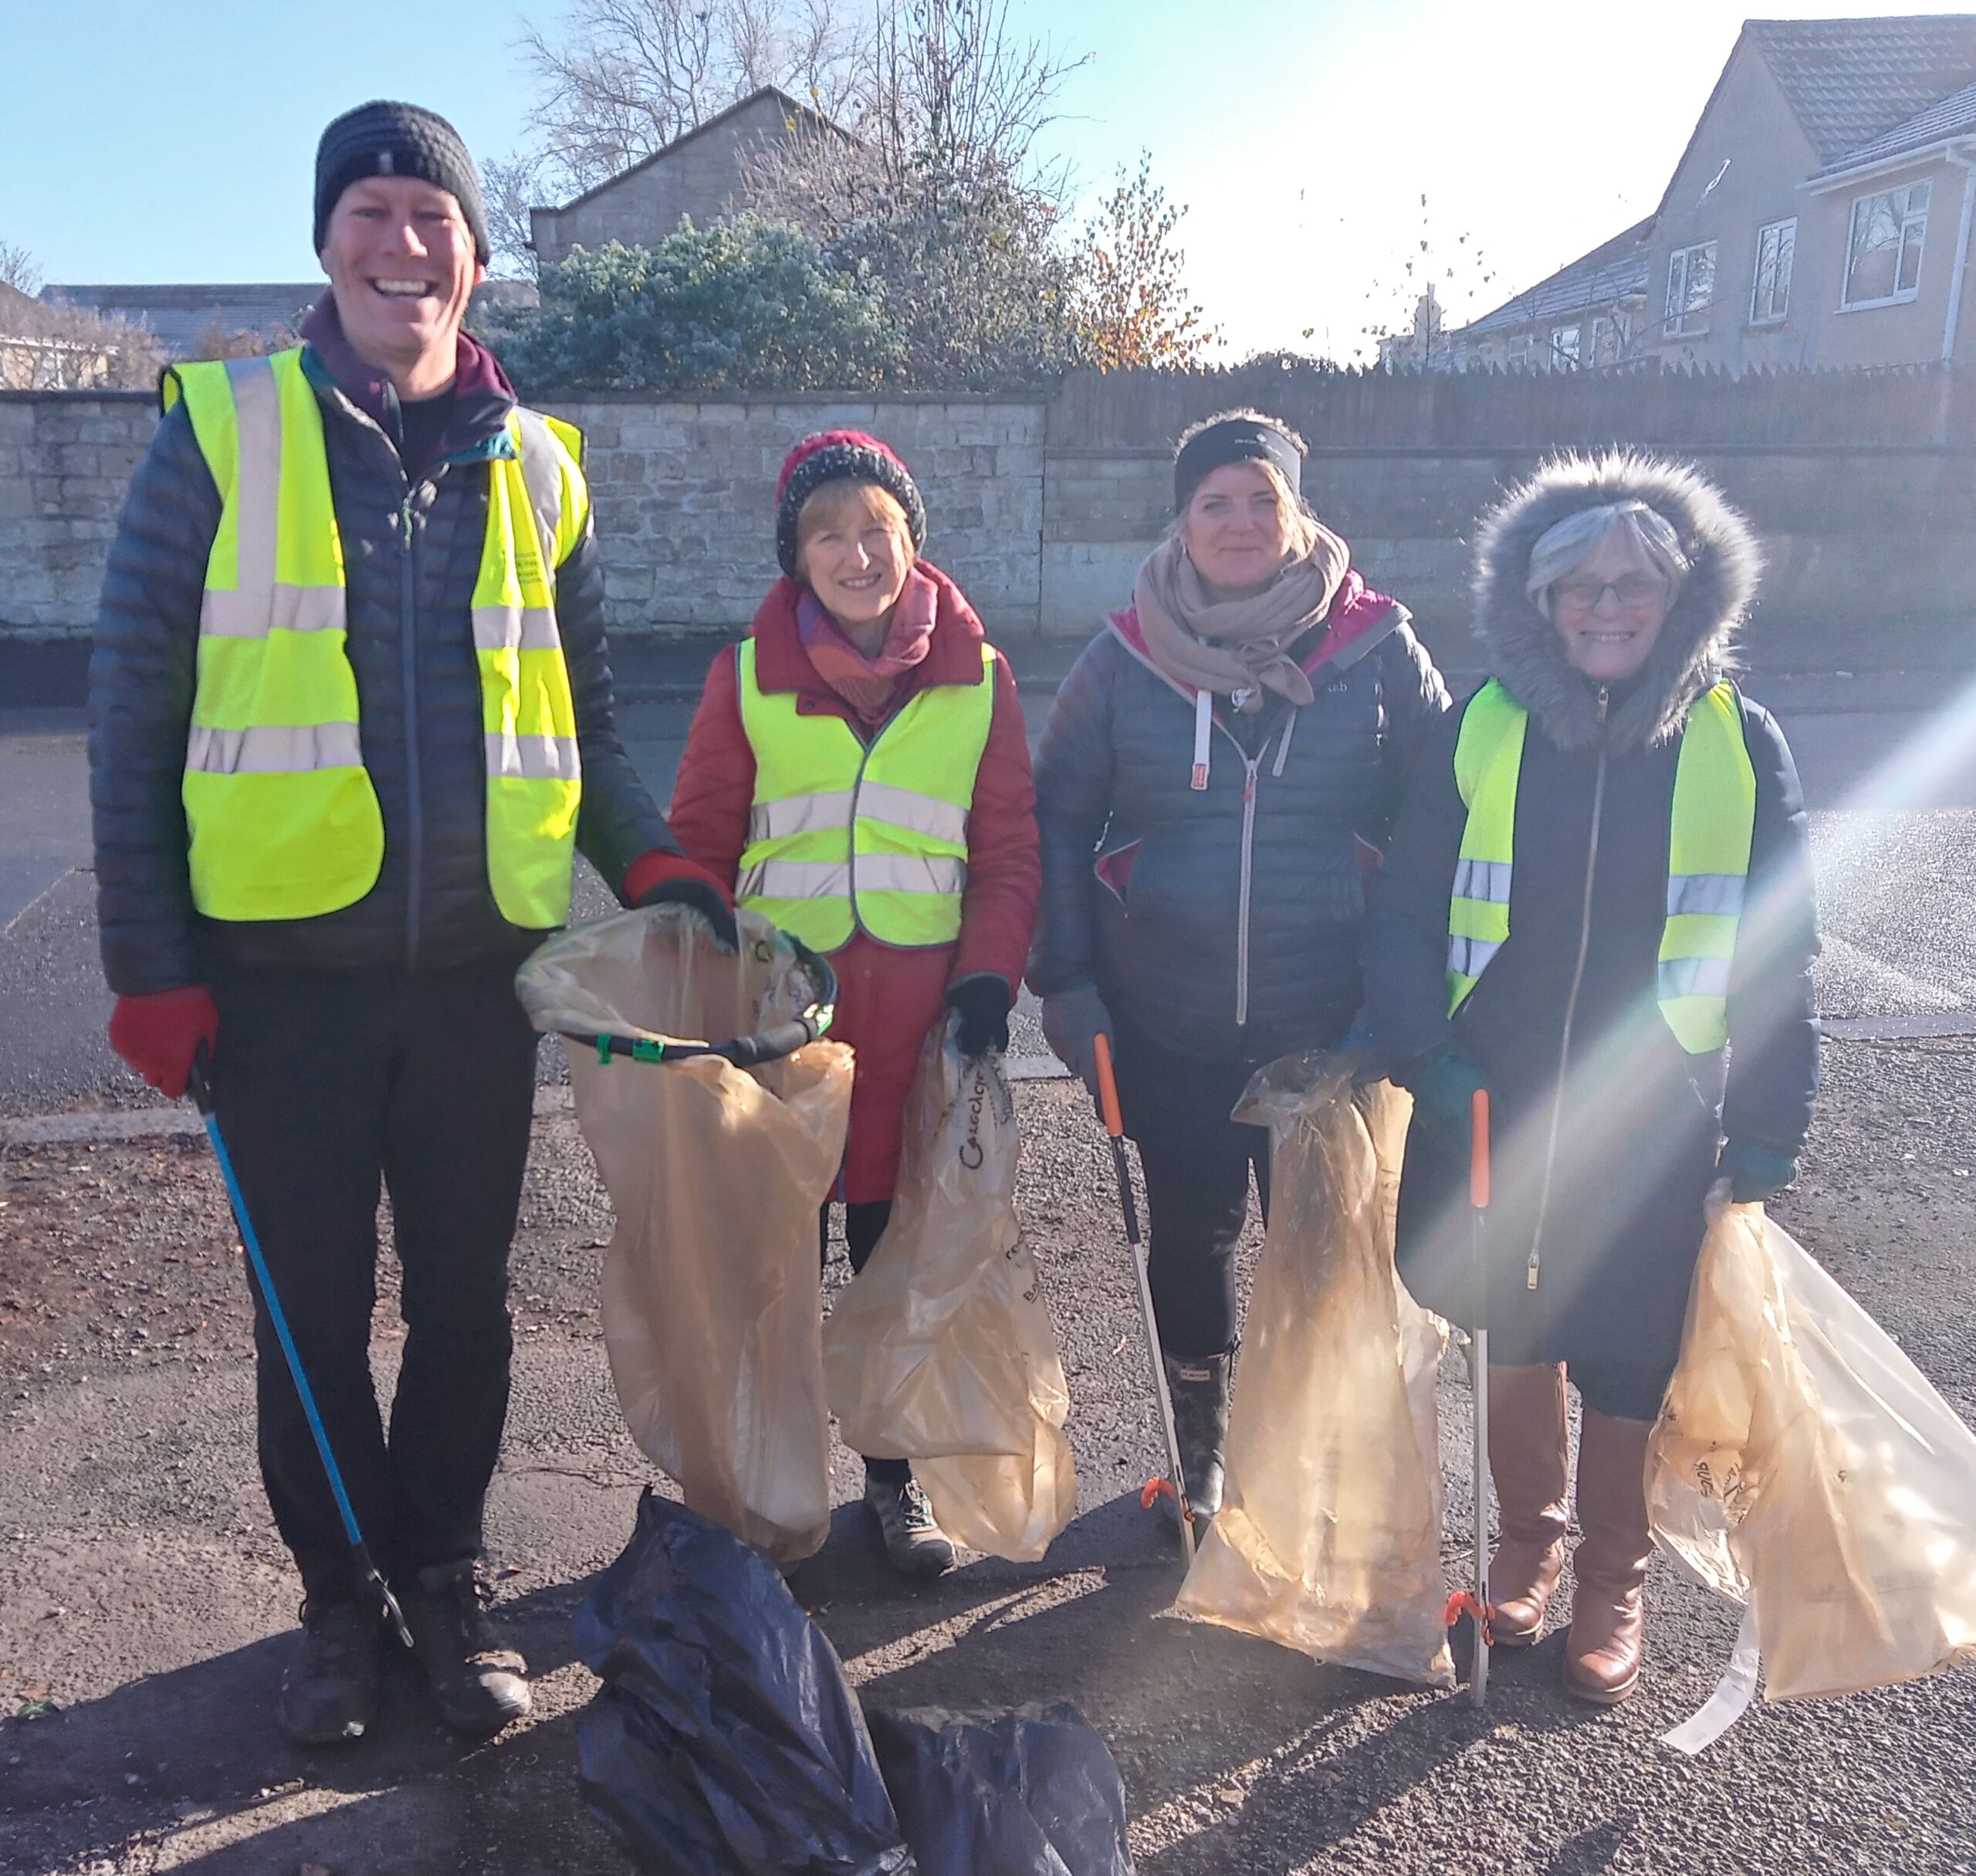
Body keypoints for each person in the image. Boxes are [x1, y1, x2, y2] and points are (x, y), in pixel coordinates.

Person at [89, 101, 731, 1746]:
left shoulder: (542, 464)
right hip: (274, 984)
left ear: (475, 254)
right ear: (326, 243)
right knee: (305, 1313)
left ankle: (440, 1577)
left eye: (432, 217)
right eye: (370, 211)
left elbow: (578, 715)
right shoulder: (221, 434)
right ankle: (337, 1600)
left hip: (470, 983)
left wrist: (648, 861)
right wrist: (149, 969)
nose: (402, 244)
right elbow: (132, 713)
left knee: (460, 1301)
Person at [1362, 452, 1819, 1704]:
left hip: (1656, 1105)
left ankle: (1614, 1576)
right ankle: (1531, 1538)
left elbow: (1781, 946)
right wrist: (1421, 1050)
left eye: (1637, 585)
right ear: (1540, 600)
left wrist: (1770, 1118)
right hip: (1494, 1092)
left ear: (1683, 599)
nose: (1608, 607)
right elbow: (1405, 907)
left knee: (1628, 1347)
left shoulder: (1736, 737)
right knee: (1514, 1317)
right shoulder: (1486, 723)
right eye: (1581, 587)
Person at [1027, 409, 1449, 1525]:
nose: (1241, 520)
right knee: (1191, 1235)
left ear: (1299, 511)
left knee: (1326, 1253)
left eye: (1264, 498)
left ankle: (1311, 1448)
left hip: (1333, 1017)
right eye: (1216, 501)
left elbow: (1445, 811)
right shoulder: (1122, 658)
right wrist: (1066, 985)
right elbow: (1055, 824)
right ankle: (1202, 1446)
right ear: (1183, 517)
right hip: (1165, 1012)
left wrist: (1408, 991)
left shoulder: (1377, 645)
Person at [666, 431, 1040, 1579]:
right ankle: (768, 1489)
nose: (855, 551)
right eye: (827, 532)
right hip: (784, 1031)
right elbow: (700, 839)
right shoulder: (746, 673)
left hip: (919, 1027)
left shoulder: (979, 678)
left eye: (876, 526)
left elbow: (1009, 848)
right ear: (798, 555)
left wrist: (989, 974)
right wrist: (706, 984)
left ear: (912, 539)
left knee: (897, 1260)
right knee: (771, 1264)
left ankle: (894, 1479)